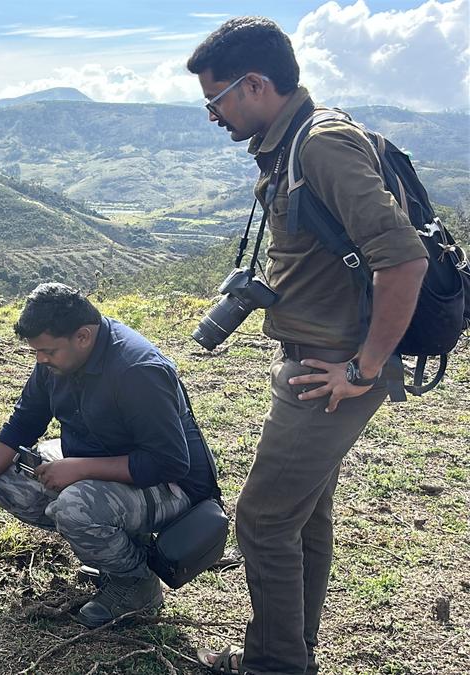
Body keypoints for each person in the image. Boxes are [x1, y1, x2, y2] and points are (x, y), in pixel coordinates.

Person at [186, 17, 428, 675]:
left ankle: (274, 665)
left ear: (256, 84)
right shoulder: (293, 141)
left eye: (216, 99)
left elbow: (402, 259)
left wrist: (363, 366)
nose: (212, 115)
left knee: (262, 521)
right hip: (318, 358)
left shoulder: (319, 145)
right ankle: (294, 648)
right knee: (301, 516)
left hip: (331, 369)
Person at [0, 283, 217, 628]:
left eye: (47, 351)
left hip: (173, 488)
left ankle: (136, 582)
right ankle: (115, 551)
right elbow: (23, 423)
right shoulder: (57, 362)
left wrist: (78, 469)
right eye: (36, 352)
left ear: (83, 337)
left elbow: (169, 462)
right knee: (10, 478)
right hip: (104, 461)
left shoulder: (137, 369)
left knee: (75, 508)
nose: (40, 360)